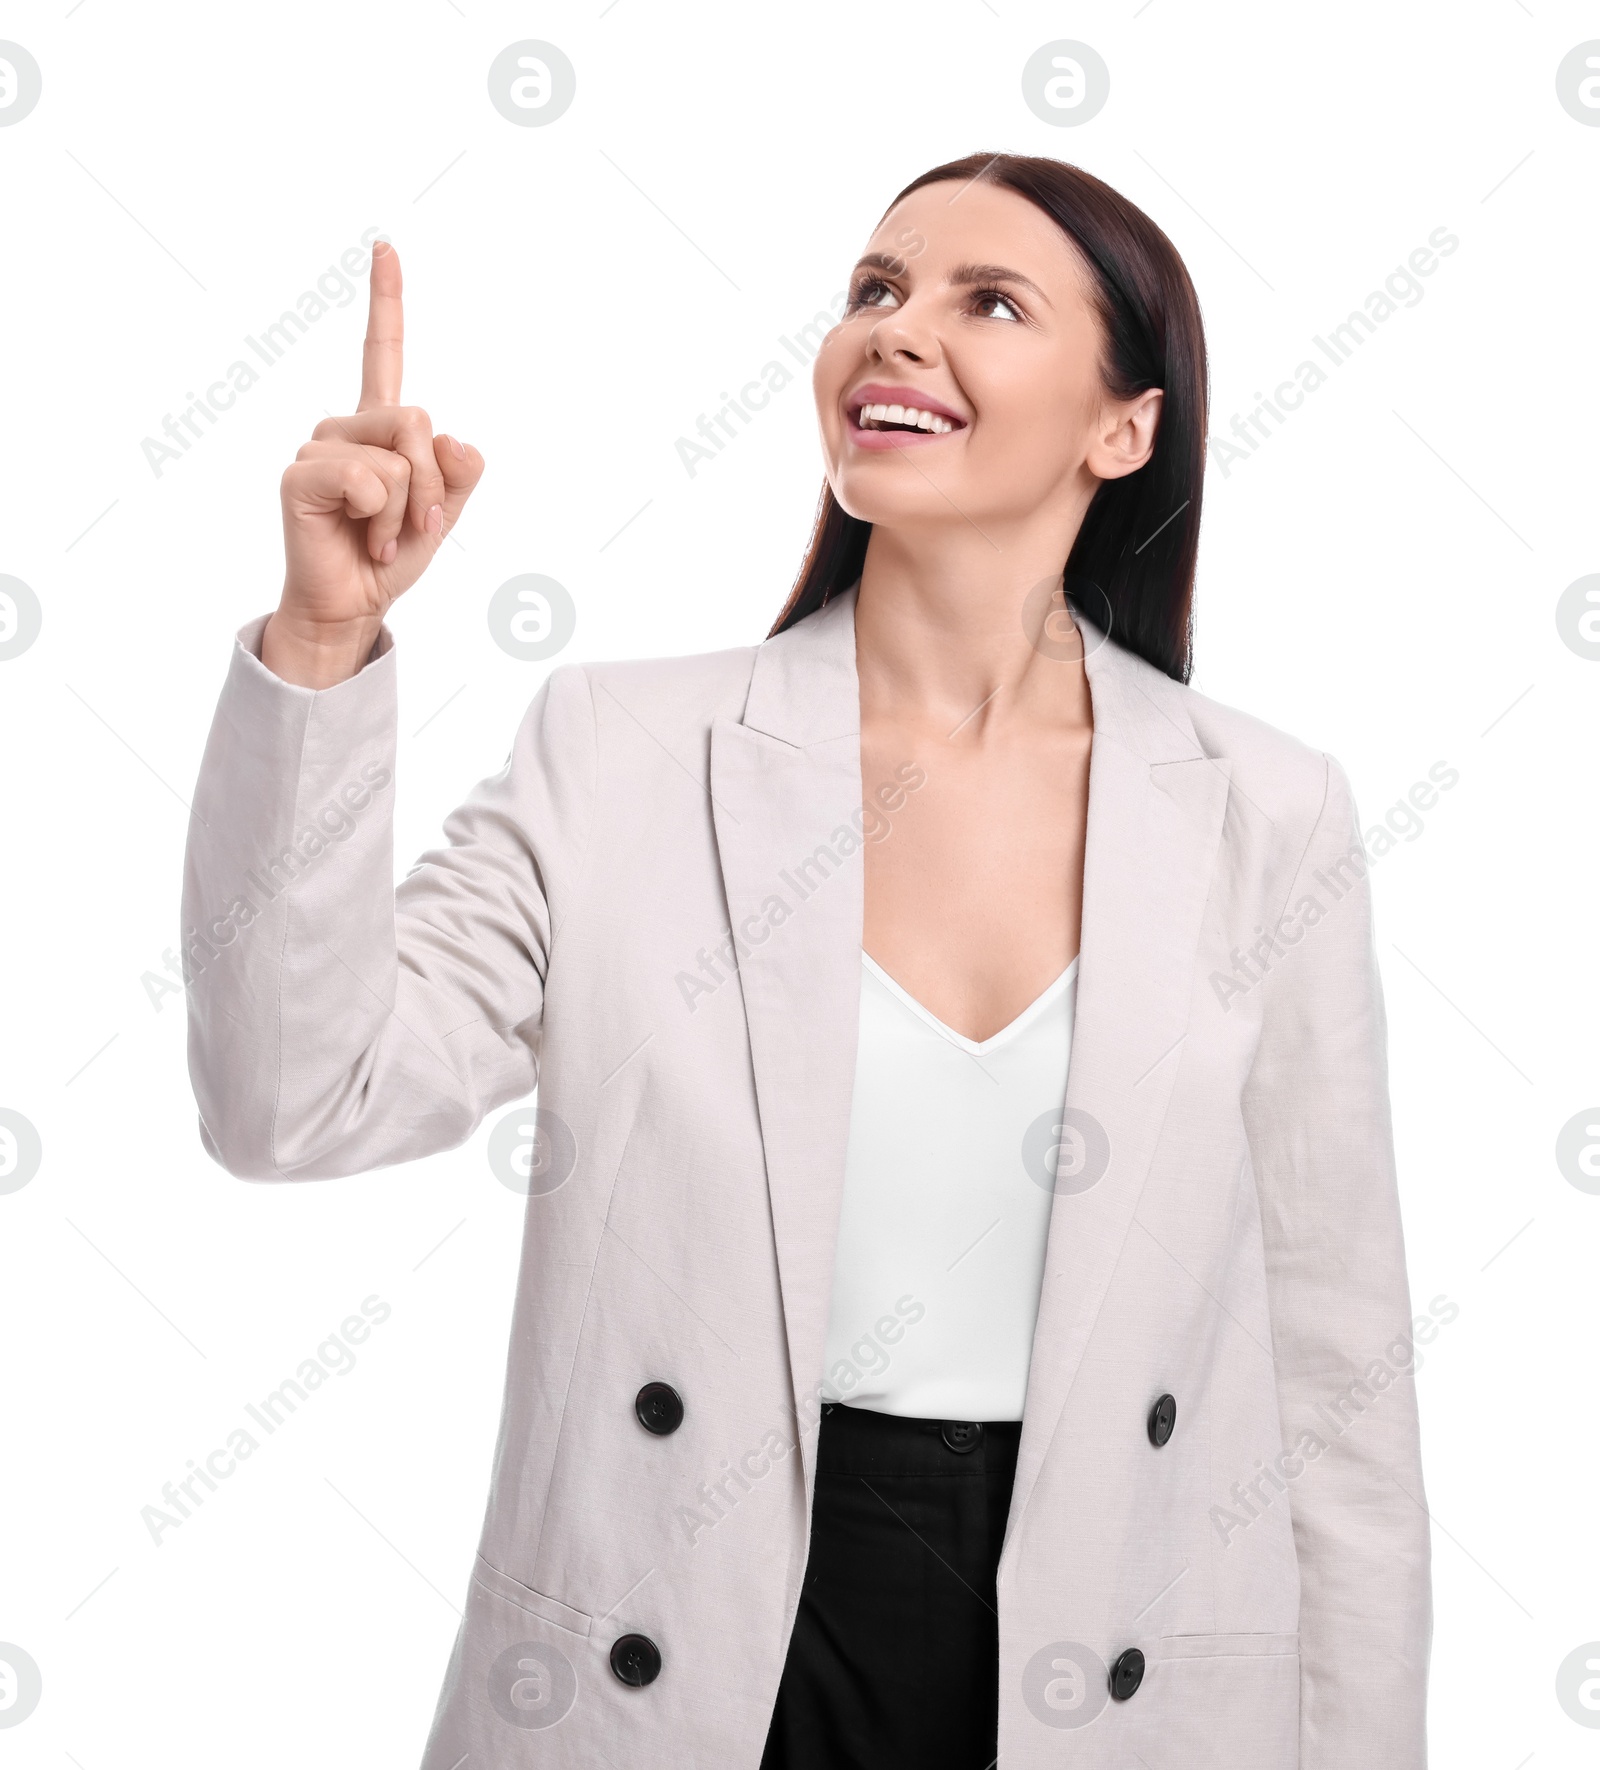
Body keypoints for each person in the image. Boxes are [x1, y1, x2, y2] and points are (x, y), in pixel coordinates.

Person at [181, 152, 1431, 1769]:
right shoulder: (622, 750)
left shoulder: (1268, 812)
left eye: (989, 302)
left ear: (1125, 427)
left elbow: (1340, 1386)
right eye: (874, 291)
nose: (898, 333)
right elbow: (291, 1098)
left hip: (1118, 1684)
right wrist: (325, 642)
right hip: (682, 1663)